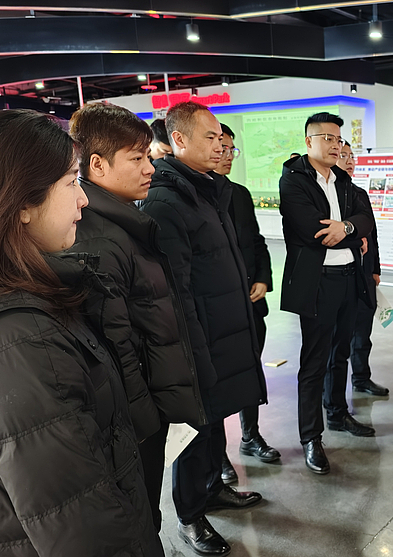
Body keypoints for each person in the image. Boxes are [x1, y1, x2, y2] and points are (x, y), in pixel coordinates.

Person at [0, 109, 163, 556]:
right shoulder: (24, 339)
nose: (83, 200)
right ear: (22, 201)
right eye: (71, 182)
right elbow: (80, 526)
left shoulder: (31, 301)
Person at [68, 103, 206, 532]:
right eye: (137, 158)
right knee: (142, 517)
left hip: (147, 405)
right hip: (135, 419)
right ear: (97, 165)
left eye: (148, 155)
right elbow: (115, 348)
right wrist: (146, 421)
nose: (150, 167)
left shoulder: (124, 224)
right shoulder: (100, 240)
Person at [141, 102, 267, 556]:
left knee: (217, 424)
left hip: (225, 333)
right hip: (200, 344)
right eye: (210, 138)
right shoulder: (167, 200)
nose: (220, 146)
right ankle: (190, 515)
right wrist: (194, 356)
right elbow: (178, 292)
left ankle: (214, 488)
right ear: (178, 140)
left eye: (222, 139)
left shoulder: (208, 190)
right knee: (196, 432)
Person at [279, 112, 376, 475]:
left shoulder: (344, 180)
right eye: (329, 139)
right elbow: (313, 231)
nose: (336, 146)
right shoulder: (294, 179)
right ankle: (311, 437)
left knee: (341, 353)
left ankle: (337, 413)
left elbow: (366, 219)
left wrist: (347, 228)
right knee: (314, 361)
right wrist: (353, 235)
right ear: (309, 142)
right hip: (318, 283)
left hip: (349, 278)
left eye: (339, 140)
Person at [213, 123, 280, 485]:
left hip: (251, 305)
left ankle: (250, 436)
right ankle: (218, 454)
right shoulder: (194, 197)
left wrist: (263, 279)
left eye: (231, 149)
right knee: (220, 381)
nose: (226, 155)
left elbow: (257, 242)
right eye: (220, 147)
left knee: (251, 370)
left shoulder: (238, 194)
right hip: (219, 311)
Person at [336, 141, 389, 396]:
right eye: (343, 156)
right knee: (337, 338)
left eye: (352, 156)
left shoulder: (360, 194)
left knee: (363, 331)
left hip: (364, 274)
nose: (349, 161)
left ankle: (361, 377)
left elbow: (372, 235)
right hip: (340, 275)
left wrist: (375, 269)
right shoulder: (327, 195)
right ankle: (331, 389)